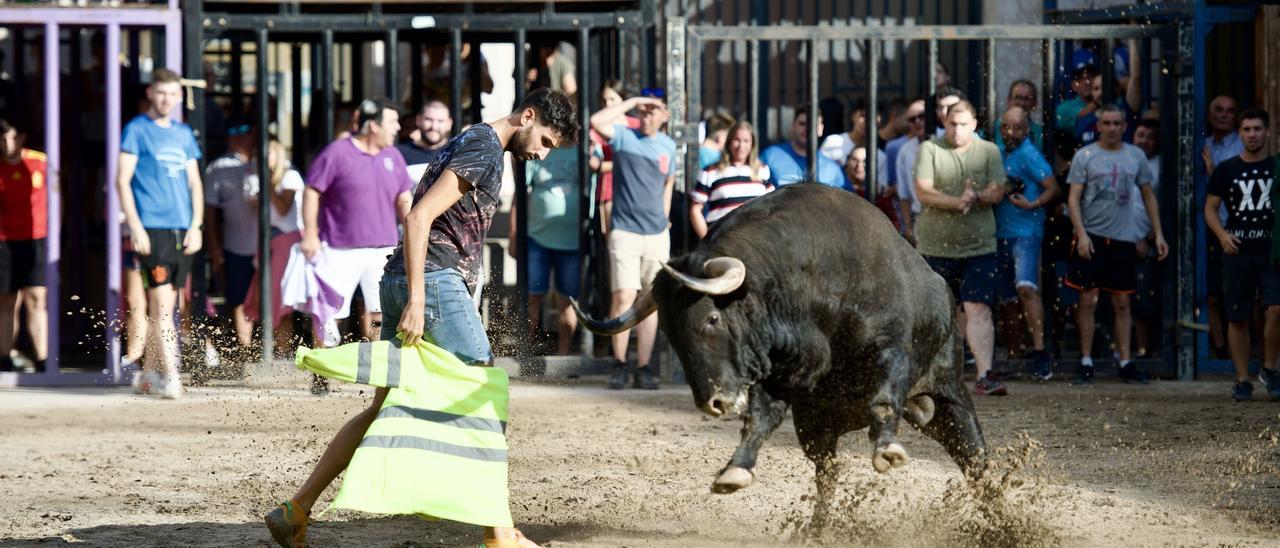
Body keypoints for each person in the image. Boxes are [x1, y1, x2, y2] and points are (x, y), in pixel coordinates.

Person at [264, 87, 578, 548]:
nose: (542, 154)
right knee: (486, 396)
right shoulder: (485, 146)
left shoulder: (473, 140)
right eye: (546, 141)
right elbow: (417, 218)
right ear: (528, 116)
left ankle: (295, 510)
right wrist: (416, 298)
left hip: (407, 279)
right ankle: (499, 533)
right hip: (430, 282)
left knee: (381, 408)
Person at [302, 98, 414, 376]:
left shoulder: (394, 157)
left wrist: (412, 235)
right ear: (373, 126)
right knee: (329, 314)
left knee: (381, 313)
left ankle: (377, 372)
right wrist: (311, 235)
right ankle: (322, 374)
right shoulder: (337, 153)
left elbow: (404, 199)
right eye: (392, 122)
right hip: (339, 249)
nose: (398, 127)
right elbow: (312, 191)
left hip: (383, 249)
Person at [116, 68, 205, 399]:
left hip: (182, 228)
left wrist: (196, 225)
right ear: (151, 93)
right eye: (161, 93)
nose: (166, 99)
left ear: (179, 96)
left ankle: (148, 373)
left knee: (166, 305)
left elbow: (195, 182)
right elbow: (122, 180)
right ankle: (172, 376)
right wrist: (136, 226)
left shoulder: (183, 134)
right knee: (161, 305)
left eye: (172, 94)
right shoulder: (137, 130)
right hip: (151, 228)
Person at [1064, 104, 1168, 386]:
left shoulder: (1135, 156)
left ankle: (1126, 360)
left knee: (1123, 301)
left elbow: (1148, 196)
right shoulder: (1085, 156)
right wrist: (1081, 234)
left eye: (1116, 123)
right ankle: (1086, 360)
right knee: (1088, 300)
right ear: (1099, 126)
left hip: (1123, 238)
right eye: (1106, 123)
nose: (1111, 128)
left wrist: (1157, 234)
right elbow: (1073, 199)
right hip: (1093, 236)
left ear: (1125, 127)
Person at [913, 100, 1009, 396]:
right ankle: (935, 377)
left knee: (978, 307)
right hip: (935, 246)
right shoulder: (930, 149)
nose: (957, 130)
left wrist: (975, 196)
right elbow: (923, 191)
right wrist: (959, 202)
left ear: (975, 125)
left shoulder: (989, 152)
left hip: (979, 247)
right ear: (945, 123)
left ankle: (984, 375)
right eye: (953, 124)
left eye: (963, 124)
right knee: (940, 313)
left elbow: (997, 190)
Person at [589, 94, 675, 390]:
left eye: (655, 111)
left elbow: (669, 184)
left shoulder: (669, 146)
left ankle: (644, 366)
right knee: (623, 296)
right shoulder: (624, 136)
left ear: (665, 115)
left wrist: (665, 217)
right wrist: (632, 101)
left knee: (650, 300)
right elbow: (596, 121)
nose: (648, 116)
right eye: (644, 110)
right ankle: (620, 362)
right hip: (625, 229)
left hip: (655, 233)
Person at [1205, 108, 1280, 401]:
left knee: (1276, 309)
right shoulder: (1227, 168)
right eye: (1246, 129)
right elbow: (1209, 207)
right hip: (1238, 250)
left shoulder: (1276, 166)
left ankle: (1270, 368)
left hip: (1272, 252)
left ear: (1268, 132)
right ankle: (1241, 379)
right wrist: (1222, 235)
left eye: (1257, 129)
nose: (1252, 134)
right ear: (1240, 134)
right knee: (1238, 317)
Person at [509, 140, 601, 355]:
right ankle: (525, 351)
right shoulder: (541, 150)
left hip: (573, 242)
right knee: (531, 295)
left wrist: (592, 155)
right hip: (536, 238)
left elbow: (600, 168)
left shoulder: (586, 149)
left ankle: (564, 355)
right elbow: (520, 194)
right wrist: (514, 234)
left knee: (568, 300)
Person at [994, 107, 1059, 380]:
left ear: (1027, 129)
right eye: (1007, 127)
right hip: (999, 233)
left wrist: (1033, 203)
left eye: (1017, 127)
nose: (1011, 132)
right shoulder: (997, 151)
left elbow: (1053, 187)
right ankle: (1014, 353)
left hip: (1026, 231)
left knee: (1026, 288)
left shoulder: (1030, 153)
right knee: (1007, 296)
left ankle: (1041, 351)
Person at [243, 139, 306, 358]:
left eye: (266, 152)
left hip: (288, 243)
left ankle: (284, 350)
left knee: (281, 299)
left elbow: (282, 208)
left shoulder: (290, 176)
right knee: (263, 298)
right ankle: (266, 349)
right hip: (268, 242)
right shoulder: (257, 178)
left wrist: (268, 184)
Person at [203, 118, 258, 349]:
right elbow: (210, 213)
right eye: (235, 134)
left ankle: (270, 348)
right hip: (236, 244)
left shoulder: (265, 161)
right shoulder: (218, 168)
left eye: (245, 133)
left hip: (270, 244)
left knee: (269, 297)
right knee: (239, 297)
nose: (240, 138)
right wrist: (215, 247)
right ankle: (246, 349)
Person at [0, 119, 49, 373]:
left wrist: (55, 231)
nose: (8, 144)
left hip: (36, 238)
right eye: (3, 139)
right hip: (4, 241)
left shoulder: (41, 161)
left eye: (12, 137)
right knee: (8, 301)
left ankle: (43, 359)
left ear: (22, 137)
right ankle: (5, 358)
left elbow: (57, 194)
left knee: (37, 298)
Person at [1203, 95, 1243, 359]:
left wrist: (1213, 171)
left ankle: (1244, 347)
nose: (1224, 115)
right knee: (1212, 293)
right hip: (1209, 223)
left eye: (1230, 111)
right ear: (1209, 114)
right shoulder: (1201, 144)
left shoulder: (1243, 146)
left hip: (1238, 224)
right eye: (1219, 109)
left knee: (1239, 292)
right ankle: (1219, 348)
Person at [690, 120, 773, 239]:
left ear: (752, 144)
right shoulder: (710, 172)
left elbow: (770, 206)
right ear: (729, 142)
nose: (741, 146)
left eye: (746, 141)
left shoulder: (762, 170)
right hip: (722, 242)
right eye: (737, 140)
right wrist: (707, 241)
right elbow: (695, 210)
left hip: (755, 242)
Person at [1130, 119, 1162, 357]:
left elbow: (1164, 206)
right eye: (1141, 135)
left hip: (1147, 243)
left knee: (1143, 301)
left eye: (1151, 137)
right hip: (1119, 240)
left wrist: (1150, 236)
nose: (1145, 141)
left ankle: (1144, 351)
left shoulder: (1160, 166)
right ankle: (1121, 352)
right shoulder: (1124, 161)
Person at [760, 104, 848, 189]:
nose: (807, 129)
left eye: (812, 125)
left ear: (821, 129)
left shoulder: (833, 169)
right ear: (793, 126)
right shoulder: (770, 156)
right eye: (802, 124)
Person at [820, 100, 889, 188]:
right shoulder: (833, 143)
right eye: (863, 116)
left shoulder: (880, 157)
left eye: (873, 116)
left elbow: (880, 190)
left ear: (879, 120)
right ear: (853, 117)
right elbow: (820, 175)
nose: (867, 121)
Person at [397, 99, 452, 183]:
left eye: (440, 121)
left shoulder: (458, 152)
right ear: (418, 120)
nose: (434, 126)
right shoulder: (400, 153)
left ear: (449, 123)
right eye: (428, 119)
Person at [896, 98, 928, 242]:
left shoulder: (947, 139)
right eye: (912, 119)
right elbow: (903, 195)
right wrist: (908, 228)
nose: (917, 121)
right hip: (920, 217)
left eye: (922, 116)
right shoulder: (905, 151)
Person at [994, 80, 1044, 151]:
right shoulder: (993, 130)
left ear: (1034, 103)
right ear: (1009, 100)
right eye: (1018, 97)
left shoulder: (1041, 134)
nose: (1022, 103)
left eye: (1027, 99)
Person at [1055, 50, 1097, 131]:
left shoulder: (1110, 102)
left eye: (1091, 77)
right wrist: (1098, 101)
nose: (1087, 82)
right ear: (1074, 85)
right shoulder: (1064, 108)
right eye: (1081, 79)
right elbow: (1081, 118)